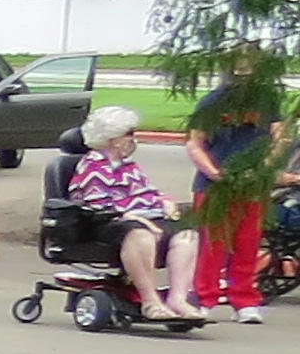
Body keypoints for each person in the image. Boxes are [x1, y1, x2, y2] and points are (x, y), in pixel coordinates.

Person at [70, 104, 206, 320]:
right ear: (114, 139)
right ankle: (150, 301)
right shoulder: (94, 167)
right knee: (141, 235)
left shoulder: (128, 165)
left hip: (142, 218)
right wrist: (144, 221)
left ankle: (178, 299)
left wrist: (165, 202)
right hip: (106, 223)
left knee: (187, 235)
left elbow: (148, 192)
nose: (133, 138)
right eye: (129, 133)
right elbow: (101, 206)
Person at [187, 72, 276, 323]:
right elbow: (195, 144)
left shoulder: (267, 102)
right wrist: (213, 173)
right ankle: (204, 297)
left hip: (252, 186)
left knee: (247, 243)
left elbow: (278, 139)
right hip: (214, 186)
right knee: (212, 245)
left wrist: (260, 169)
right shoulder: (211, 102)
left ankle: (244, 300)